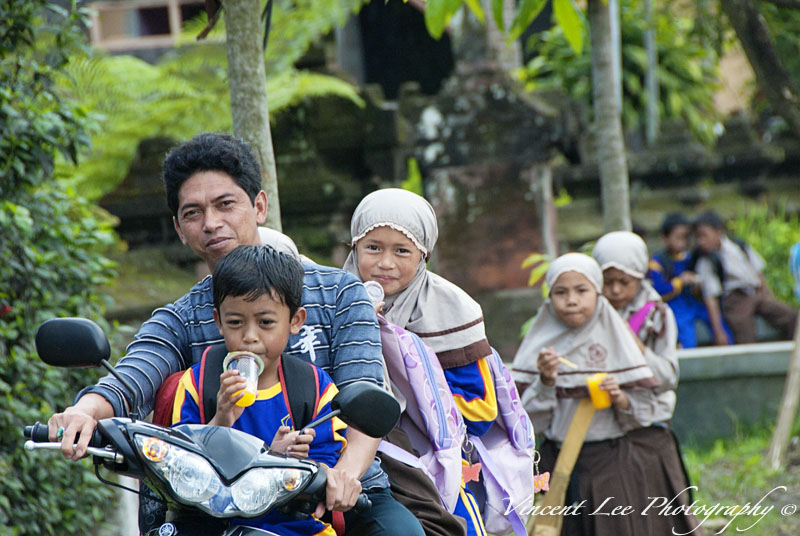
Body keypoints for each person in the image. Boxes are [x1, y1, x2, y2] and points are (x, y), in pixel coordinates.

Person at [47, 132, 423, 536]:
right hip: (219, 500)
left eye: (225, 204)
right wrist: (85, 412)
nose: (211, 223)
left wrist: (342, 477)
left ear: (259, 206)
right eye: (193, 213)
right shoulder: (183, 318)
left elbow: (363, 390)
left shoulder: (339, 294)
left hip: (338, 489)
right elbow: (133, 375)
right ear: (178, 227)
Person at [344, 188, 534, 536]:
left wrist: (414, 392)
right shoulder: (337, 299)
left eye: (401, 251)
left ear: (423, 255)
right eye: (373, 248)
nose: (385, 263)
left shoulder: (451, 310)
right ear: (354, 248)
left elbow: (480, 413)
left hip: (435, 459)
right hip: (348, 450)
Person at [172, 244, 346, 534]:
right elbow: (180, 463)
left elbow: (328, 464)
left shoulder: (314, 388)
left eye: (265, 322)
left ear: (295, 321)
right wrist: (221, 421)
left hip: (293, 526)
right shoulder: (198, 384)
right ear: (218, 322)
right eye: (235, 323)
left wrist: (286, 462)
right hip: (215, 525)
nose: (250, 337)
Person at [511, 253, 660, 535]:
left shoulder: (617, 343)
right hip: (555, 462)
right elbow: (528, 424)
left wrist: (619, 397)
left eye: (582, 290)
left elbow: (643, 414)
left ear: (598, 294)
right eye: (560, 292)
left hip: (609, 461)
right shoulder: (541, 349)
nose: (571, 300)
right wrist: (545, 381)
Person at [593, 231, 702, 535]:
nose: (614, 290)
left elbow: (668, 376)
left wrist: (635, 348)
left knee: (656, 517)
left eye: (624, 282)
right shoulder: (587, 313)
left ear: (640, 277)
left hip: (646, 431)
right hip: (600, 429)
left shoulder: (657, 316)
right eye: (606, 281)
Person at [692, 210, 798, 344]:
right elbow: (711, 298)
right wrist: (719, 332)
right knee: (745, 334)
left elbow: (759, 275)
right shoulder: (706, 261)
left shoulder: (739, 246)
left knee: (790, 316)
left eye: (704, 236)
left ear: (719, 232)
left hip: (754, 294)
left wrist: (769, 298)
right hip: (733, 301)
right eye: (697, 237)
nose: (701, 242)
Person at [648, 212, 731, 348]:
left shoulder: (689, 258)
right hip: (675, 306)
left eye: (687, 238)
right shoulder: (657, 263)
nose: (684, 242)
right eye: (679, 238)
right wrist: (680, 281)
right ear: (664, 238)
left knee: (719, 324)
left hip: (692, 303)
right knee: (686, 337)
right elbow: (658, 292)